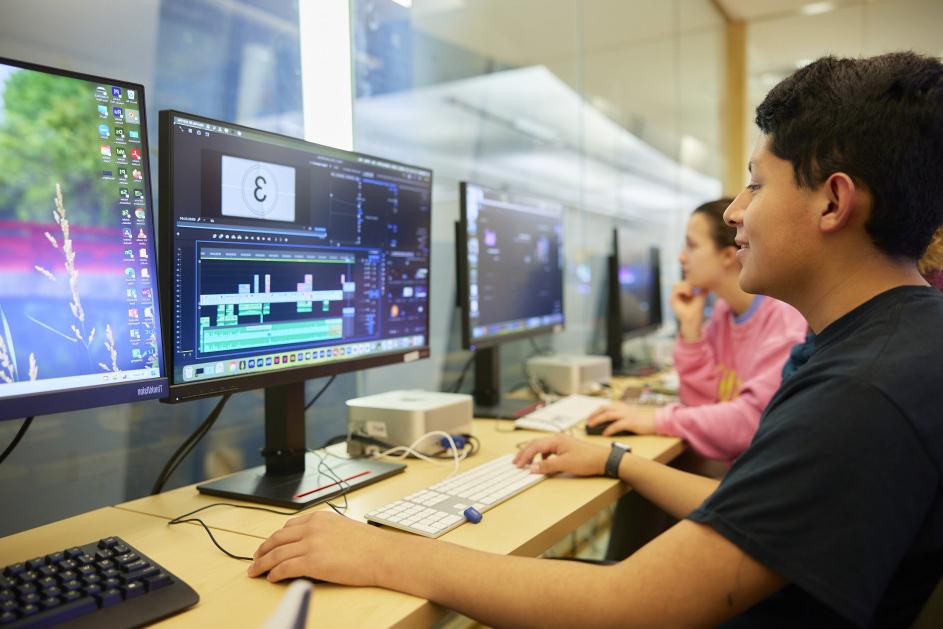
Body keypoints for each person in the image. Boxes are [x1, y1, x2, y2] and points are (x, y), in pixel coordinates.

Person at [248, 52, 943, 627]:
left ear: (832, 201)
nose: (734, 211)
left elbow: (631, 605)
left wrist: (374, 550)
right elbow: (758, 514)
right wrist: (617, 461)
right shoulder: (874, 342)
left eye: (756, 185)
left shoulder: (863, 391)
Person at [588, 199, 807, 463]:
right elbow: (700, 407)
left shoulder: (784, 320)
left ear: (728, 255)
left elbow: (750, 423)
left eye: (691, 246)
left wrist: (656, 419)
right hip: (732, 467)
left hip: (758, 480)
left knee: (628, 471)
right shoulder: (724, 314)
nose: (681, 257)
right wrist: (691, 332)